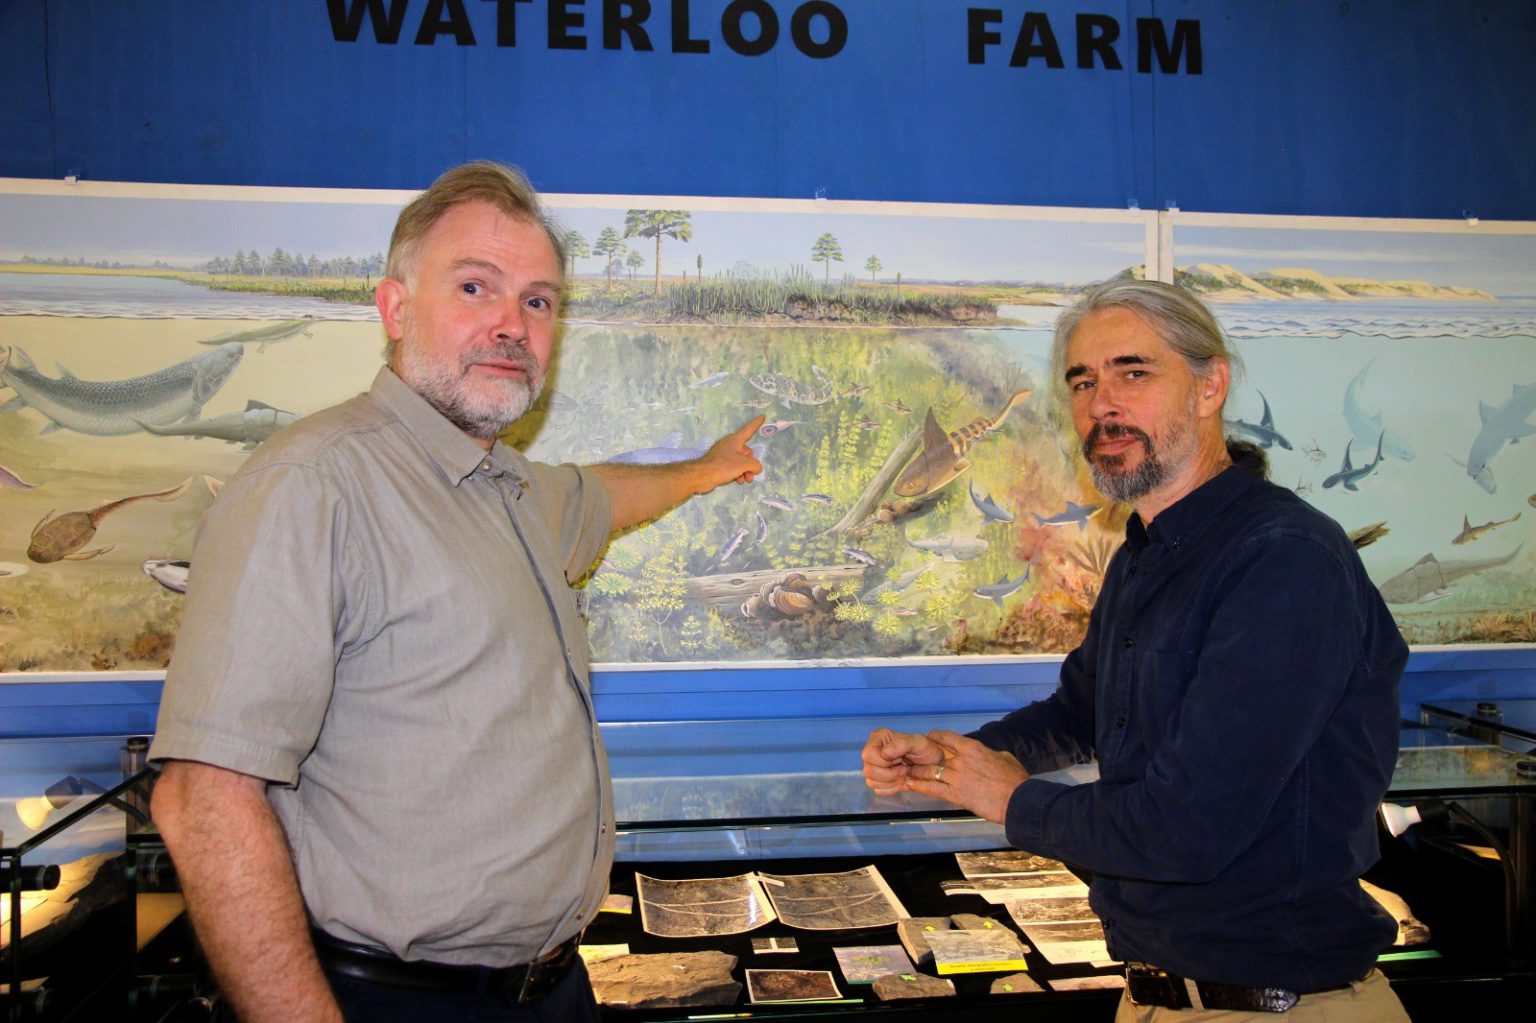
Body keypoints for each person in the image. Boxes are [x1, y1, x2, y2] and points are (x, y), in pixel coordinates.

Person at [149, 161, 762, 1023]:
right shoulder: (313, 486)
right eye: (477, 286)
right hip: (391, 1000)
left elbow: (604, 494)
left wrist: (703, 471)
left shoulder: (507, 486)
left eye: (539, 301)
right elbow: (202, 799)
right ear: (396, 308)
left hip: (550, 989)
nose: (511, 323)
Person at [862, 279, 1410, 1020]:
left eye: (1133, 371)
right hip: (1154, 992)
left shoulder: (1284, 560)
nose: (1101, 403)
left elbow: (1189, 828)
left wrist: (1012, 800)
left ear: (1209, 384)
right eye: (1082, 381)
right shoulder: (1144, 552)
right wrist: (955, 755)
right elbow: (1084, 709)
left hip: (1281, 1005)